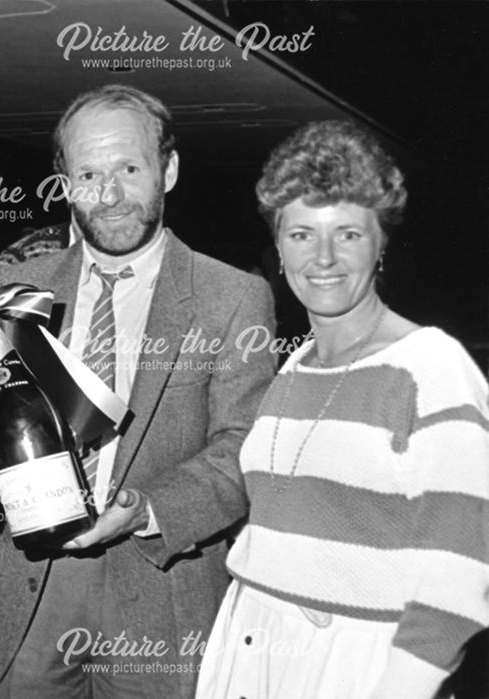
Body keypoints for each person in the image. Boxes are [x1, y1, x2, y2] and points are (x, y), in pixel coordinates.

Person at [0, 84, 276, 698]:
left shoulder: (232, 297)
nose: (109, 195)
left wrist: (146, 508)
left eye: (129, 169)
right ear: (63, 183)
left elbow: (245, 451)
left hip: (162, 602)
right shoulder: (18, 288)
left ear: (167, 170)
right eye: (88, 173)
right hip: (34, 594)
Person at [194, 121, 489, 698]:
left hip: (351, 665)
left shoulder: (431, 367)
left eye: (348, 233)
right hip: (250, 646)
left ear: (380, 245)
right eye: (302, 234)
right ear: (277, 248)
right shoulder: (294, 366)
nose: (323, 257)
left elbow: (461, 577)